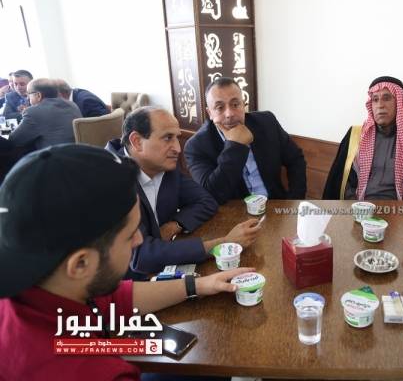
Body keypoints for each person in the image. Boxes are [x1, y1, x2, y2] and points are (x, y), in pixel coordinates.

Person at [0, 144, 254, 380]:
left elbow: (113, 298)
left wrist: (199, 285)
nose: (139, 239)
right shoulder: (96, 372)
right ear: (80, 264)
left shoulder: (46, 284)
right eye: (130, 234)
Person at [106, 106, 261, 279]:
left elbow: (207, 201)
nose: (178, 148)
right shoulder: (111, 180)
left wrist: (175, 224)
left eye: (177, 138)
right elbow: (141, 256)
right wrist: (223, 243)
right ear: (137, 141)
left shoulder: (163, 166)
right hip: (124, 284)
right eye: (168, 138)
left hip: (163, 268)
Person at [184, 77, 307, 204]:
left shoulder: (267, 122)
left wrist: (294, 202)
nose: (229, 114)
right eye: (220, 107)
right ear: (210, 113)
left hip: (274, 205)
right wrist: (235, 145)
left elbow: (295, 159)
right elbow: (212, 195)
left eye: (235, 104)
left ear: (244, 105)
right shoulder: (196, 146)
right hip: (233, 213)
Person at [323, 76, 403, 200]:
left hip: (400, 208)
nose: (380, 105)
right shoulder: (355, 135)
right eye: (375, 100)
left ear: (399, 103)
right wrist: (353, 203)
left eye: (386, 98)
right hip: (360, 205)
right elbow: (340, 180)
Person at [9, 78, 82, 150]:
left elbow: (15, 140)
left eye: (28, 94)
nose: (27, 98)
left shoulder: (34, 112)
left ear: (38, 95)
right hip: (79, 153)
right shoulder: (72, 105)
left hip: (54, 156)